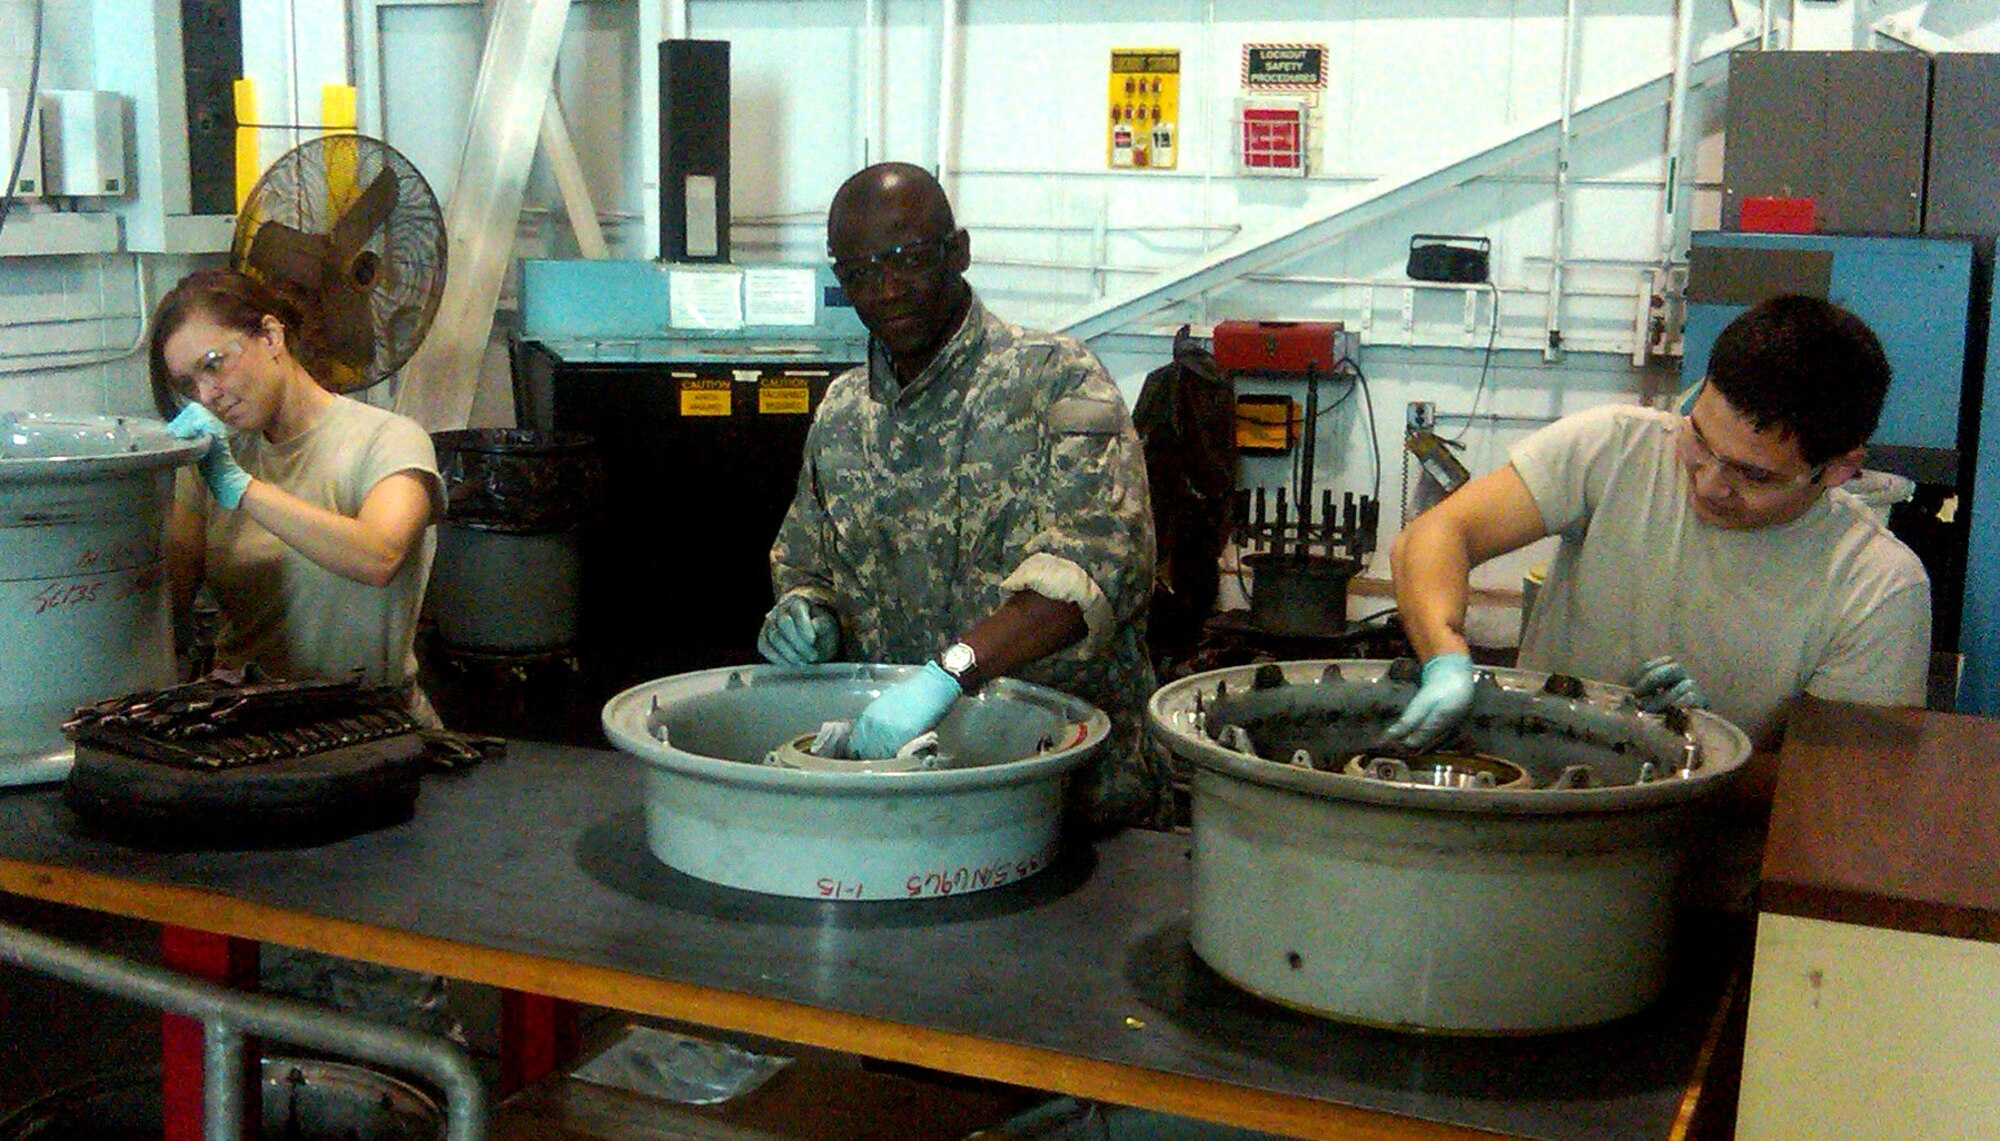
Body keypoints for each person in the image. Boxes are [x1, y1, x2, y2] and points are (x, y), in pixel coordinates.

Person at [1386, 294, 1930, 795]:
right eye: (1699, 440)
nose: (1709, 483)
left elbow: (1838, 798)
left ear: (1839, 469)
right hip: (1529, 812)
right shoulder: (1613, 448)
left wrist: (1704, 746)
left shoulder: (1877, 588)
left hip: (1696, 872)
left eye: (1753, 476)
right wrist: (1445, 657)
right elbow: (1434, 536)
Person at [760, 162, 1163, 829]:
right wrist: (807, 617)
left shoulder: (1053, 379)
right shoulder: (841, 412)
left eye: (909, 259)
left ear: (960, 251)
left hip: (1066, 799)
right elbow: (808, 564)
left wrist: (949, 673)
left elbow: (1100, 567)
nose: (888, 289)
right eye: (861, 272)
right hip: (896, 797)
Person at [149, 267, 444, 724]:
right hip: (246, 723)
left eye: (213, 363)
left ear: (270, 337)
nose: (207, 394)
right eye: (188, 384)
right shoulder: (209, 463)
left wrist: (242, 487)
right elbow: (168, 603)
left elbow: (379, 555)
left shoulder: (388, 440)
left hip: (370, 725)